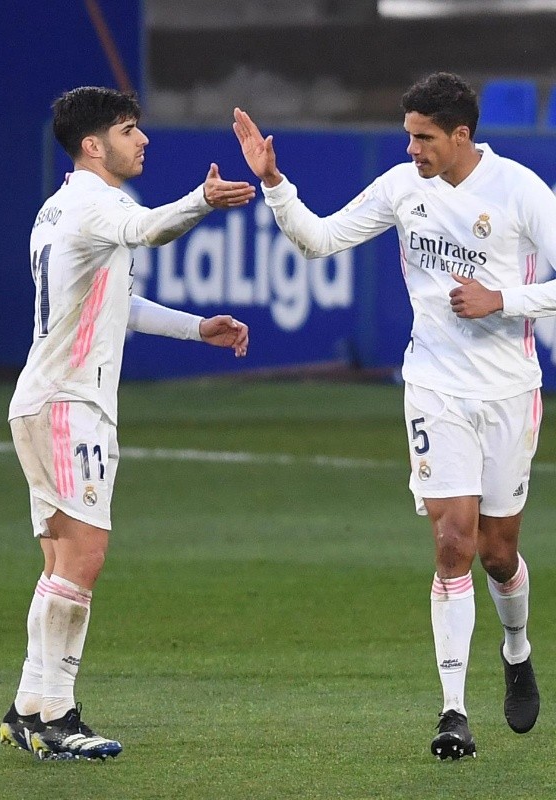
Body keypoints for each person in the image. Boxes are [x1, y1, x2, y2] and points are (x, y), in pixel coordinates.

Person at [233, 71, 552, 760]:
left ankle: (518, 648)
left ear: (461, 135)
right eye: (408, 136)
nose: (411, 149)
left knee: (498, 552)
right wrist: (274, 182)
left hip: (508, 392)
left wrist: (505, 300)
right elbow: (317, 240)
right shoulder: (402, 188)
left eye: (424, 137)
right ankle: (453, 713)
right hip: (433, 387)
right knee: (451, 542)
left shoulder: (520, 190)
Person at [0, 85, 252, 761]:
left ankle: (27, 708)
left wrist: (199, 328)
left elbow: (120, 302)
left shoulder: (57, 209)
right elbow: (150, 229)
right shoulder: (99, 202)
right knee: (83, 558)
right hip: (68, 403)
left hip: (49, 398)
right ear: (93, 144)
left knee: (60, 558)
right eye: (130, 129)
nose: (143, 141)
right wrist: (203, 201)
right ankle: (59, 716)